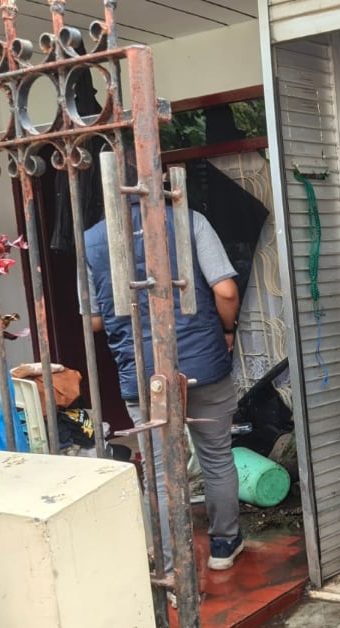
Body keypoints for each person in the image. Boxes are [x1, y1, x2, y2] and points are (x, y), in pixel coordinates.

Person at [85, 157, 243, 573]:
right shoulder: (189, 221)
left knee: (158, 468)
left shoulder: (93, 241)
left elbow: (95, 319)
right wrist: (228, 331)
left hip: (142, 373)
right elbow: (225, 290)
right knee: (216, 456)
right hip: (203, 365)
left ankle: (171, 565)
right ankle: (225, 545)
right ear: (158, 183)